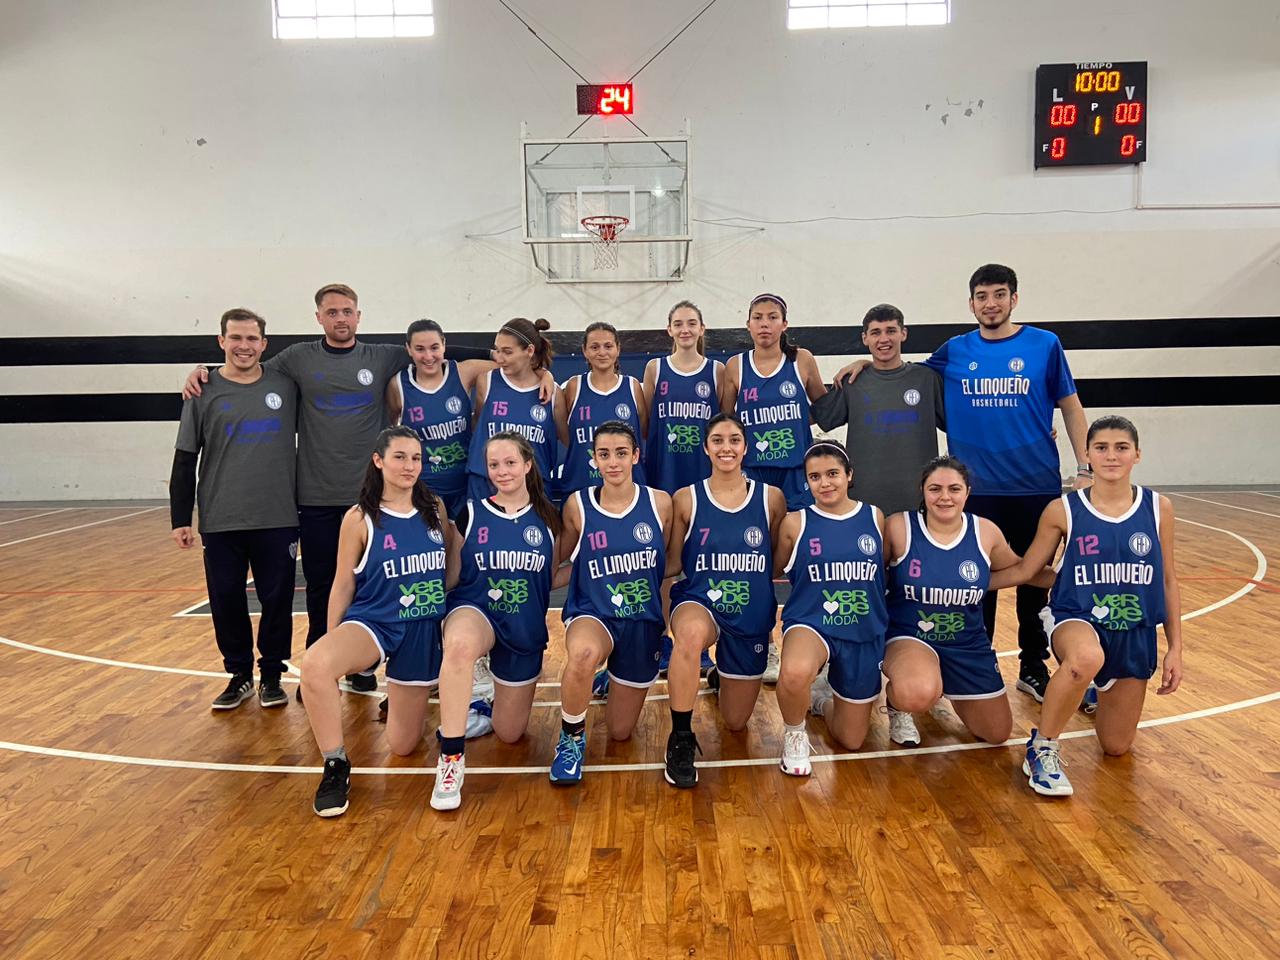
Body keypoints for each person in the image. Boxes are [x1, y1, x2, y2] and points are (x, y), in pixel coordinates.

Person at [184, 288, 550, 695]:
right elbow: (247, 367)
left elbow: (473, 355)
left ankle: (384, 665)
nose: (340, 318)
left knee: (404, 580)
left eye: (347, 311)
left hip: (387, 496)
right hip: (318, 493)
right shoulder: (298, 358)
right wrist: (205, 371)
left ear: (358, 316)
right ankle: (323, 664)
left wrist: (541, 370)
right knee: (324, 585)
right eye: (332, 312)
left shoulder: (382, 357)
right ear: (319, 317)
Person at [838, 266, 1089, 703]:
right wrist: (866, 363)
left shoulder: (1044, 345)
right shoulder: (954, 350)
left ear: (1014, 299)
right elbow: (901, 372)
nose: (990, 303)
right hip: (973, 490)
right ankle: (978, 661)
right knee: (977, 580)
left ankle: (1033, 665)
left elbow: (1070, 406)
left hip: (1033, 483)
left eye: (999, 294)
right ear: (971, 303)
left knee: (1033, 578)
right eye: (982, 296)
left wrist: (1084, 465)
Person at [990, 416, 1182, 797]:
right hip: (1075, 616)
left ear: (1137, 455)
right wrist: (968, 582)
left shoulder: (1159, 508)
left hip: (1133, 630)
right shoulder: (1062, 510)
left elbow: (1167, 580)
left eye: (1121, 448)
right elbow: (1029, 570)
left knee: (1116, 745)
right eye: (1101, 448)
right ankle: (1042, 747)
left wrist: (1176, 647)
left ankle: (1087, 690)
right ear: (1088, 454)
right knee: (1084, 659)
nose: (1111, 456)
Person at [299, 426, 459, 817]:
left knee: (402, 745)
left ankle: (410, 699)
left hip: (422, 630)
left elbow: (449, 566)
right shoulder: (359, 518)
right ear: (378, 461)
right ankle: (335, 764)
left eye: (416, 458)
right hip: (374, 621)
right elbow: (342, 584)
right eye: (399, 457)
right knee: (316, 665)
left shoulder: (434, 508)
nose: (409, 466)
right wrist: (333, 639)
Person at [170, 308, 300, 710]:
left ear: (264, 344)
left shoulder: (286, 384)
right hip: (221, 517)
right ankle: (239, 674)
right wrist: (180, 518)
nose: (244, 346)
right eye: (236, 338)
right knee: (226, 597)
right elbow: (185, 456)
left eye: (252, 339)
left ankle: (272, 675)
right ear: (221, 341)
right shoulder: (202, 390)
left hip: (277, 514)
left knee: (277, 599)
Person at [429, 432, 563, 810]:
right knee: (459, 646)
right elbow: (453, 575)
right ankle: (451, 759)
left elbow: (552, 577)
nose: (501, 471)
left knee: (509, 733)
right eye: (493, 465)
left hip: (523, 627)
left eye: (509, 463)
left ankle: (484, 702)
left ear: (527, 465)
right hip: (477, 609)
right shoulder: (471, 513)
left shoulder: (549, 519)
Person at [662, 414, 785, 787]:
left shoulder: (771, 498)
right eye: (717, 440)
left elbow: (775, 563)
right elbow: (672, 564)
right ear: (706, 447)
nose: (726, 447)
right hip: (701, 600)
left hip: (751, 613)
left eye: (734, 440)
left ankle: (720, 677)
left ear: (746, 447)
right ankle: (681, 737)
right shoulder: (686, 498)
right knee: (689, 636)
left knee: (735, 722)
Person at [550, 421, 673, 785]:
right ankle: (571, 738)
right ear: (594, 459)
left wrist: (667, 624)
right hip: (594, 612)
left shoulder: (660, 503)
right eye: (604, 454)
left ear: (635, 455)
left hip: (642, 621)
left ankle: (609, 678)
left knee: (620, 731)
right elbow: (559, 562)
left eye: (621, 453)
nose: (613, 462)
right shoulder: (578, 505)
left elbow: (668, 567)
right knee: (583, 653)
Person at [881, 456, 1021, 749]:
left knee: (996, 733)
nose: (945, 497)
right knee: (918, 692)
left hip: (967, 643)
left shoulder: (985, 532)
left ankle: (947, 682)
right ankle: (899, 704)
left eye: (954, 489)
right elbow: (870, 577)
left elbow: (1018, 569)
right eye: (935, 489)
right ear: (922, 491)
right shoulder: (898, 526)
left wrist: (1064, 575)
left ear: (967, 492)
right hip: (910, 636)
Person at [773, 441, 889, 776]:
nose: (824, 483)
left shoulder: (874, 517)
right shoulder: (796, 523)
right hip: (812, 621)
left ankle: (821, 701)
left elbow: (881, 568)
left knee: (851, 739)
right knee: (794, 671)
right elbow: (775, 569)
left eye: (832, 474)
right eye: (815, 477)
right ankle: (795, 735)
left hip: (862, 628)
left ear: (849, 475)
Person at [642, 301, 723, 680]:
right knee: (663, 567)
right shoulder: (655, 369)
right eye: (679, 323)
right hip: (663, 477)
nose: (685, 329)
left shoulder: (717, 371)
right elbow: (645, 424)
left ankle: (698, 642)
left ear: (702, 328)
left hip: (702, 482)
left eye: (692, 322)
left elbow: (723, 426)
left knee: (697, 563)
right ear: (669, 329)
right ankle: (661, 641)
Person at [812, 304, 944, 515]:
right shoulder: (852, 382)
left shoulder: (927, 379)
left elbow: (960, 422)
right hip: (864, 503)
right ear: (865, 338)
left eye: (891, 331)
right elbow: (815, 417)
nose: (884, 339)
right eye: (876, 332)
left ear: (903, 333)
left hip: (918, 502)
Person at [723, 294, 828, 512]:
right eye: (758, 317)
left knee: (797, 528)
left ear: (784, 324)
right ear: (748, 325)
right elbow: (726, 421)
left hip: (796, 466)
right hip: (753, 467)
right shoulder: (735, 365)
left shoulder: (801, 359)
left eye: (772, 317)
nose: (765, 324)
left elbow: (825, 408)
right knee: (756, 528)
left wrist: (795, 420)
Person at [467, 317, 569, 503]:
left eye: (507, 352)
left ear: (529, 350)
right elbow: (477, 424)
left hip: (534, 486)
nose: (499, 358)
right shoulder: (486, 381)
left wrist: (545, 374)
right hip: (486, 483)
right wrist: (544, 372)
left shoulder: (553, 393)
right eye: (497, 350)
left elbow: (568, 440)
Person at [560, 321, 647, 497]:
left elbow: (643, 432)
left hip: (627, 488)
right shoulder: (574, 386)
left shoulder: (632, 387)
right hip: (582, 484)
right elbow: (566, 436)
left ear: (618, 349)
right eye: (594, 347)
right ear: (585, 351)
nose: (602, 352)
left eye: (608, 346)